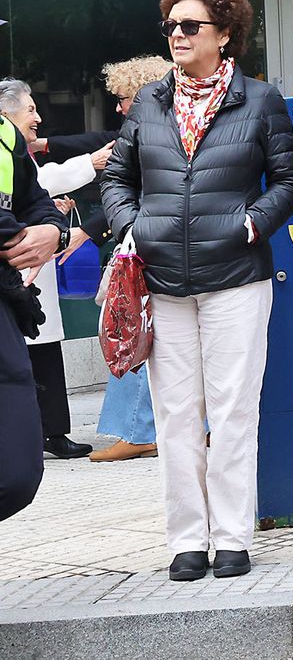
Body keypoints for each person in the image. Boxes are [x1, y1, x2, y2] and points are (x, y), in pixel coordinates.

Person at [101, 0, 293, 581]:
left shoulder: (259, 99)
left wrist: (252, 224)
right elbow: (117, 177)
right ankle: (188, 538)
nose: (178, 36)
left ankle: (233, 535)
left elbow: (289, 181)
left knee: (233, 410)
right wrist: (130, 225)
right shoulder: (150, 103)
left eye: (190, 26)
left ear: (224, 36)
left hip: (237, 277)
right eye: (171, 26)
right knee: (175, 415)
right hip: (162, 279)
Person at [0, 80, 106, 460]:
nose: (38, 117)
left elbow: (34, 196)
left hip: (31, 271)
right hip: (13, 272)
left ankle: (53, 431)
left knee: (45, 354)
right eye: (30, 110)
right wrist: (88, 164)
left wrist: (48, 221)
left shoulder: (16, 149)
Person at [87, 56, 174, 462]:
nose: (118, 107)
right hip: (168, 245)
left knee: (132, 331)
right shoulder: (171, 127)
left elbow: (127, 188)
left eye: (122, 98)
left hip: (146, 247)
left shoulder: (144, 133)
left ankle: (138, 430)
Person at [0, 69, 64, 522]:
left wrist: (50, 231)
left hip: (3, 309)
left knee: (18, 472)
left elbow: (36, 201)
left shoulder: (6, 135)